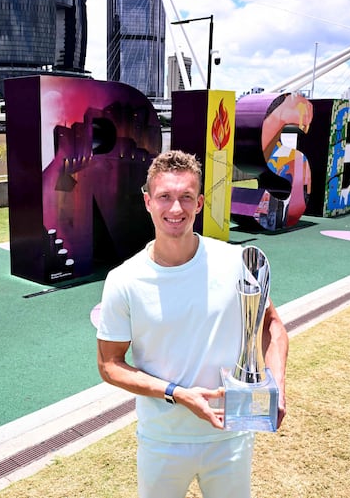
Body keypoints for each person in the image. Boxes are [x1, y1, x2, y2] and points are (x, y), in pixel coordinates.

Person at [97, 150, 288, 498]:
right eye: (165, 197)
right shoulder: (124, 280)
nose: (175, 209)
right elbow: (110, 366)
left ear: (199, 202)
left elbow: (271, 326)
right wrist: (177, 394)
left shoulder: (236, 261)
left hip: (230, 434)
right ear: (148, 202)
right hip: (162, 440)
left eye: (186, 197)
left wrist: (276, 385)